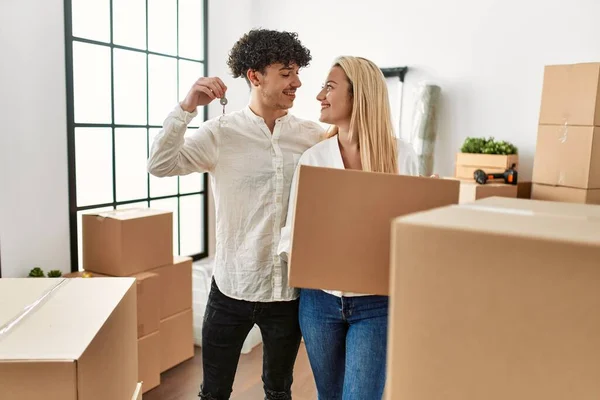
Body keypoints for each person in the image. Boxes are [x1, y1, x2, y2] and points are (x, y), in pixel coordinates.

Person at [147, 29, 324, 400]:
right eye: (286, 73)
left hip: (287, 292)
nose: (298, 82)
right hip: (231, 287)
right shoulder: (221, 133)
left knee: (279, 391)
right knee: (213, 392)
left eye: (297, 72)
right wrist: (187, 107)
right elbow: (160, 164)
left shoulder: (311, 135)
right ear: (255, 77)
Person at [278, 56, 419, 400]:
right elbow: (292, 233)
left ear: (360, 95)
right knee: (329, 395)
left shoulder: (403, 158)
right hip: (319, 303)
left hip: (376, 304)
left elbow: (414, 243)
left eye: (329, 86)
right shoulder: (315, 158)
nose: (319, 95)